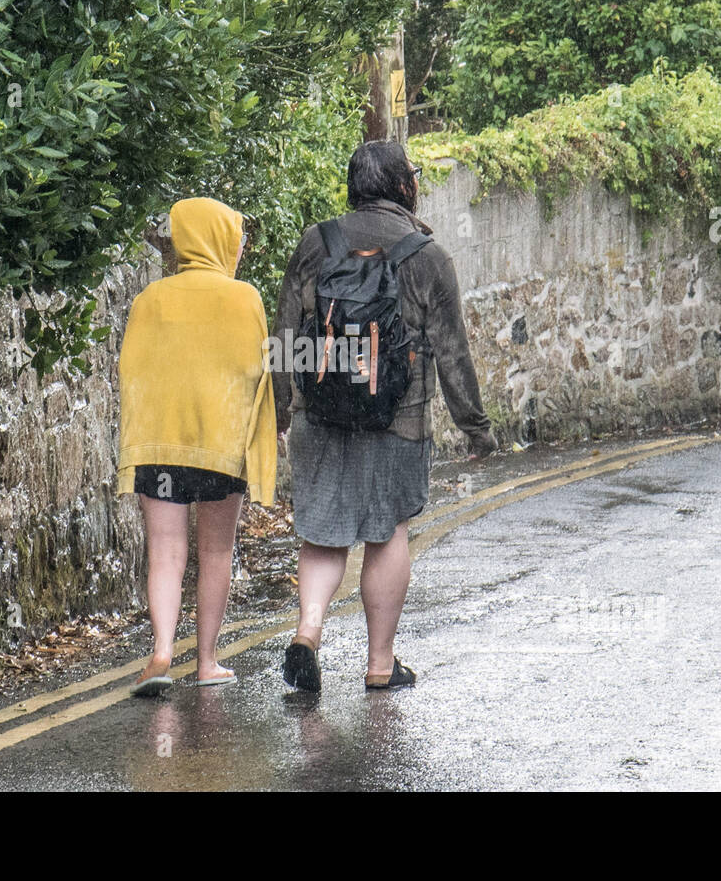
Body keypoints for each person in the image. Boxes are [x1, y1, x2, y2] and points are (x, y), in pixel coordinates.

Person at [272, 141, 496, 692]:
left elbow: (281, 337)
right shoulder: (427, 256)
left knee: (324, 533)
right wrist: (476, 427)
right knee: (386, 531)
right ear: (404, 187)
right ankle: (379, 664)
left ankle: (309, 628)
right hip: (398, 419)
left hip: (320, 414)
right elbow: (452, 349)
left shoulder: (315, 243)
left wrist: (282, 409)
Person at [117, 197, 276, 696]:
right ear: (223, 239)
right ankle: (206, 662)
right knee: (216, 550)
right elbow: (258, 376)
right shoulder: (245, 299)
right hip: (219, 449)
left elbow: (131, 374)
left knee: (165, 550)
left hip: (160, 445)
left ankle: (162, 650)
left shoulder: (150, 300)